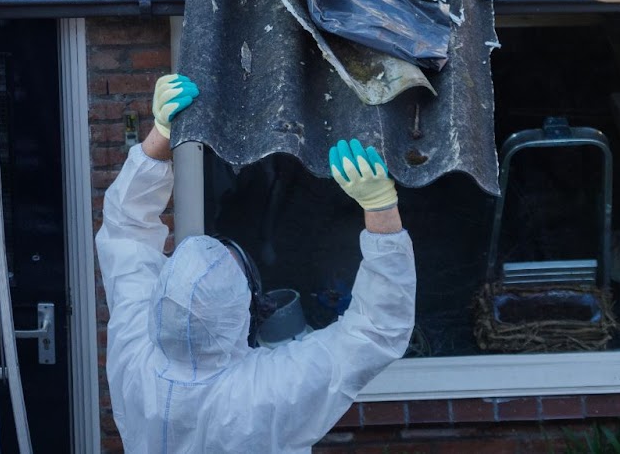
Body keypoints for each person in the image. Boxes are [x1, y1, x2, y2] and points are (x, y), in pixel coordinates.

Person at [96, 74, 414, 452]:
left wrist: (161, 134)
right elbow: (377, 331)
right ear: (244, 311)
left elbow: (126, 231)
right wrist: (381, 211)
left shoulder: (136, 355)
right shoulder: (263, 394)